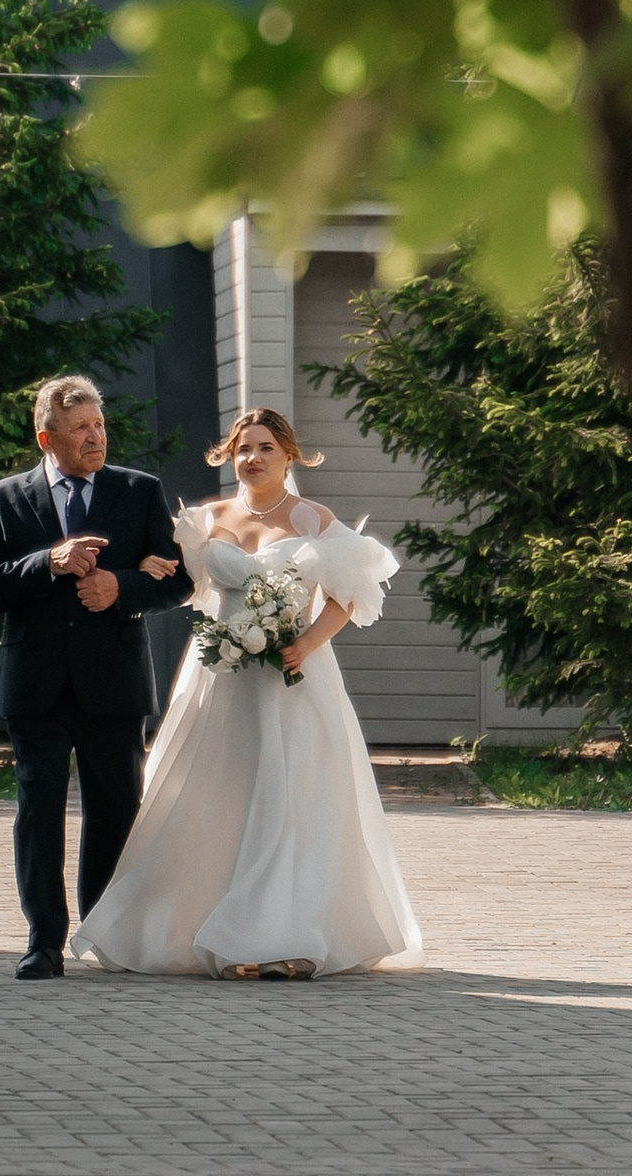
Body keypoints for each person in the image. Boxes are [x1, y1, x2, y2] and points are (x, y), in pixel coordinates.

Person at [70, 405, 423, 979]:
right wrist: (144, 565)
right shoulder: (205, 521)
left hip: (295, 676)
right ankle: (205, 923)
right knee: (220, 798)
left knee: (290, 800)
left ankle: (286, 939)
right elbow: (182, 583)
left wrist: (306, 643)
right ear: (229, 457)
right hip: (222, 676)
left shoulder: (312, 518)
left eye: (264, 448)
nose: (252, 458)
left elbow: (350, 591)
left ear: (289, 456)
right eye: (243, 449)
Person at [0, 376, 182, 982]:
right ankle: (43, 940)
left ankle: (105, 930)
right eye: (81, 428)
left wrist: (122, 587)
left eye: (100, 425)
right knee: (39, 807)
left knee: (115, 807)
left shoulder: (139, 492)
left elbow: (179, 579)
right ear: (47, 436)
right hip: (35, 682)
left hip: (112, 680)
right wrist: (48, 562)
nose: (96, 437)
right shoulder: (4, 498)